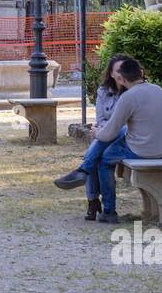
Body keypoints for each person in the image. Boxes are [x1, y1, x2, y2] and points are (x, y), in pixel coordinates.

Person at [52, 56, 162, 224]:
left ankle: (107, 208)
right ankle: (84, 171)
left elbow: (109, 133)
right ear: (141, 73)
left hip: (141, 149)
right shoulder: (159, 90)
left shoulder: (129, 96)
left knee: (104, 160)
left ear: (122, 79)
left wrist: (96, 132)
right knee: (111, 144)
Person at [53, 54, 128, 221]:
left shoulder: (132, 93)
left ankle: (87, 184)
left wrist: (105, 131)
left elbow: (126, 124)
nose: (121, 74)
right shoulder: (103, 91)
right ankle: (98, 204)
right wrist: (103, 131)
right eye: (118, 71)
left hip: (122, 139)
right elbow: (101, 120)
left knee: (96, 156)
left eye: (124, 70)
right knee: (99, 153)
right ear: (111, 73)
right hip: (105, 135)